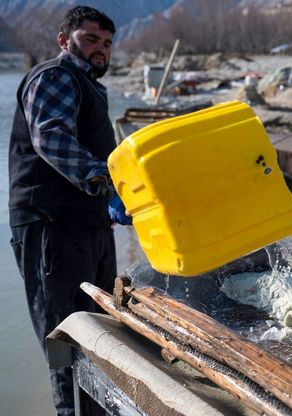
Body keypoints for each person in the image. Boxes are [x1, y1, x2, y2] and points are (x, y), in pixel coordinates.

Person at [8, 6, 120, 415]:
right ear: (63, 40)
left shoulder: (88, 86)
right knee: (68, 337)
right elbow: (51, 138)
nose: (100, 50)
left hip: (85, 224)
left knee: (101, 329)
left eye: (107, 43)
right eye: (90, 39)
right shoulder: (56, 75)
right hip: (51, 226)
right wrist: (107, 183)